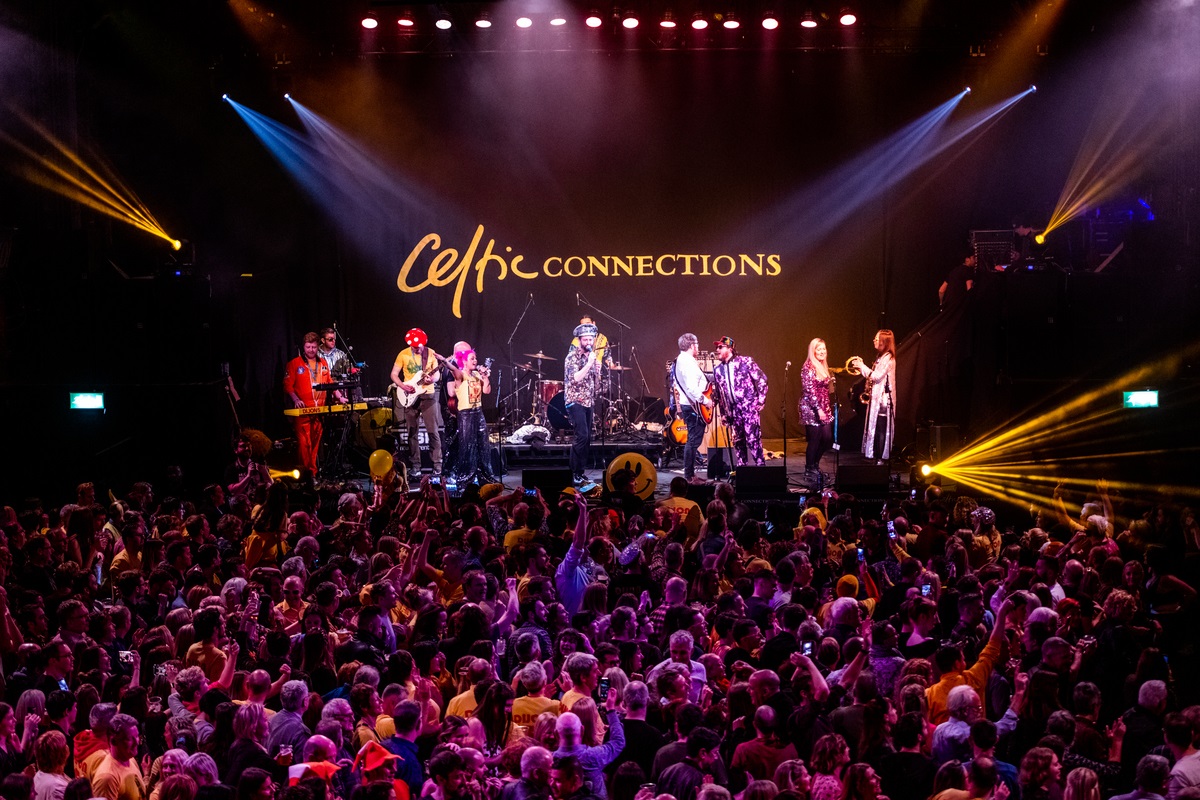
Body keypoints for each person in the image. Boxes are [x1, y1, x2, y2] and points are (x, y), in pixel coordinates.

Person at [282, 332, 344, 474]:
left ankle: (313, 473)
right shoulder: (294, 364)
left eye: (314, 347)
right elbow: (287, 386)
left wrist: (340, 397)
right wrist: (296, 400)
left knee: (315, 445)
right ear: (303, 347)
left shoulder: (322, 363)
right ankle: (305, 475)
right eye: (308, 347)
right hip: (303, 412)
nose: (311, 350)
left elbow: (330, 382)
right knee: (305, 445)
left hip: (319, 412)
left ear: (318, 347)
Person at [390, 328, 443, 476]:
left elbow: (437, 373)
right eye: (414, 347)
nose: (417, 349)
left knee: (433, 431)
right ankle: (416, 466)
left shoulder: (431, 353)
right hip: (409, 396)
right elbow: (394, 374)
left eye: (419, 346)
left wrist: (432, 379)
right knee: (412, 432)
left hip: (428, 396)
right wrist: (402, 386)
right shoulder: (403, 354)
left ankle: (437, 465)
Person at [710, 335, 768, 468]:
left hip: (748, 408)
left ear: (730, 348)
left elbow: (762, 380)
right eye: (716, 347)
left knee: (753, 439)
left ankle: (761, 469)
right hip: (733, 411)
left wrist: (760, 400)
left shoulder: (745, 362)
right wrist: (724, 413)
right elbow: (720, 395)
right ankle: (742, 471)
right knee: (738, 441)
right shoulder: (718, 370)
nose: (717, 349)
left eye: (720, 347)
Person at [443, 348, 495, 485]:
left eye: (475, 358)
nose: (475, 361)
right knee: (467, 447)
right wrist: (444, 360)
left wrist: (485, 376)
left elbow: (487, 391)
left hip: (478, 412)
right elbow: (453, 369)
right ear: (464, 362)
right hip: (465, 414)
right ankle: (466, 478)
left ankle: (486, 477)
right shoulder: (461, 375)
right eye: (472, 359)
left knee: (483, 445)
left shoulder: (477, 374)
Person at [563, 323, 603, 485]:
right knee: (582, 436)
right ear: (579, 340)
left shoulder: (590, 358)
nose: (588, 342)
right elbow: (575, 378)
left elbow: (598, 386)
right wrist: (588, 365)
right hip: (574, 401)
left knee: (587, 439)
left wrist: (598, 372)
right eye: (585, 339)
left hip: (588, 401)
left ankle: (581, 472)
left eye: (591, 339)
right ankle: (573, 472)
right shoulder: (572, 357)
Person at [850, 330, 896, 462]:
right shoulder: (880, 357)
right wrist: (861, 367)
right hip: (876, 398)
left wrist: (862, 366)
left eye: (877, 338)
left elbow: (876, 376)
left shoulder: (888, 358)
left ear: (884, 341)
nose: (874, 340)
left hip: (883, 401)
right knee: (876, 429)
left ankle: (880, 458)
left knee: (881, 429)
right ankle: (874, 455)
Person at [672, 333, 713, 481]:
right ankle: (689, 476)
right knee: (693, 441)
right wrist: (705, 401)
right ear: (692, 346)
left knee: (693, 440)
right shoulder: (687, 362)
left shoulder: (683, 360)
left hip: (692, 405)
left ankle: (690, 475)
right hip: (694, 406)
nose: (698, 347)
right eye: (697, 344)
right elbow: (691, 388)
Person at [799, 337, 835, 488]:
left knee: (827, 439)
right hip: (811, 408)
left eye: (824, 349)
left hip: (824, 406)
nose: (822, 352)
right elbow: (809, 391)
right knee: (814, 439)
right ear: (813, 351)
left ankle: (815, 464)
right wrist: (818, 409)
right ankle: (809, 468)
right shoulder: (808, 367)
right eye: (818, 349)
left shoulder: (823, 366)